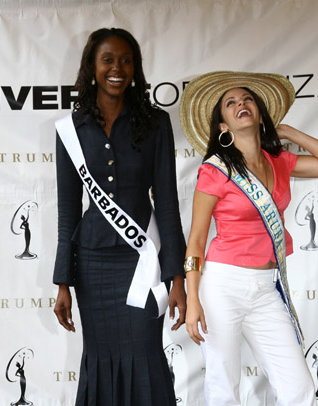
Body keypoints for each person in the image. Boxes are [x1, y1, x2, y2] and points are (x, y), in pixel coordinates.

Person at [179, 71, 318, 406]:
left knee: (298, 388)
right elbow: (196, 240)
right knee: (223, 385)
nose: (241, 104)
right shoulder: (216, 170)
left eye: (248, 100)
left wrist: (287, 132)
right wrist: (193, 298)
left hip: (266, 287)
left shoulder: (281, 161)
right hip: (222, 286)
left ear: (259, 113)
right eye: (230, 103)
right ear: (223, 127)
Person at [53, 28, 186, 405]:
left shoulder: (155, 123)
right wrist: (63, 281)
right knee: (100, 356)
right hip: (92, 266)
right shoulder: (70, 129)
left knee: (144, 352)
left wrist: (176, 277)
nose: (117, 68)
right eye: (108, 59)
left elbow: (168, 204)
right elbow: (67, 211)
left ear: (136, 68)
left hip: (143, 259)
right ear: (92, 68)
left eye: (126, 60)